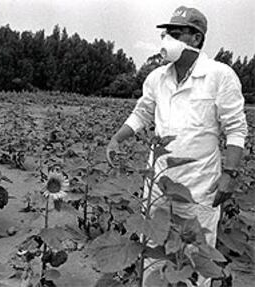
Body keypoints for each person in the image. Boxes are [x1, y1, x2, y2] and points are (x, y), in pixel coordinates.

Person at [106, 5, 248, 287]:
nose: (166, 40)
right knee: (153, 252)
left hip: (199, 185)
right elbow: (142, 113)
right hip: (158, 185)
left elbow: (236, 129)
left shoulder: (219, 75)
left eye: (175, 33)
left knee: (194, 259)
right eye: (165, 34)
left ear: (196, 39)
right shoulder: (157, 77)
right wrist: (117, 137)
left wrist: (229, 175)